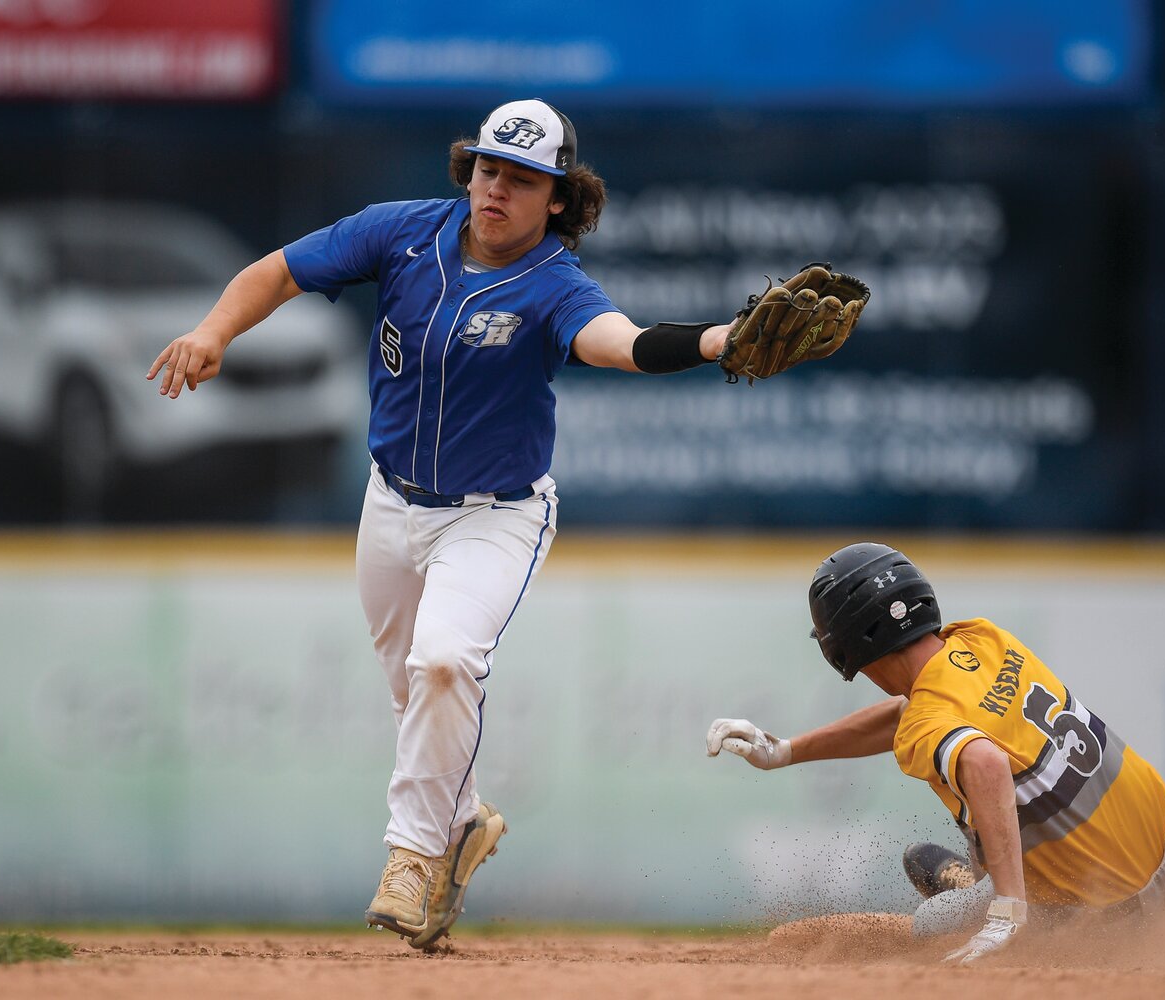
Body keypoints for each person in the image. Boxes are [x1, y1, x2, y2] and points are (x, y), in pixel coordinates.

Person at [148, 98, 742, 951]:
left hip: (495, 517)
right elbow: (276, 271)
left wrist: (718, 341)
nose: (497, 188)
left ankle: (414, 856)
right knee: (416, 693)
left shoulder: (554, 283)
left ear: (561, 200)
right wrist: (213, 330)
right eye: (489, 168)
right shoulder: (400, 233)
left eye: (523, 178)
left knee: (445, 661)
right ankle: (462, 823)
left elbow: (623, 343)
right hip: (389, 504)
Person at [705, 542, 1165, 964]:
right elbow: (915, 714)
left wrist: (1008, 910)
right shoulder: (982, 638)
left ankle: (988, 899)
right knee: (980, 816)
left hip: (1110, 911)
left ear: (848, 643)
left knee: (810, 936)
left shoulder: (927, 722)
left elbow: (983, 761)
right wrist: (784, 750)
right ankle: (991, 890)